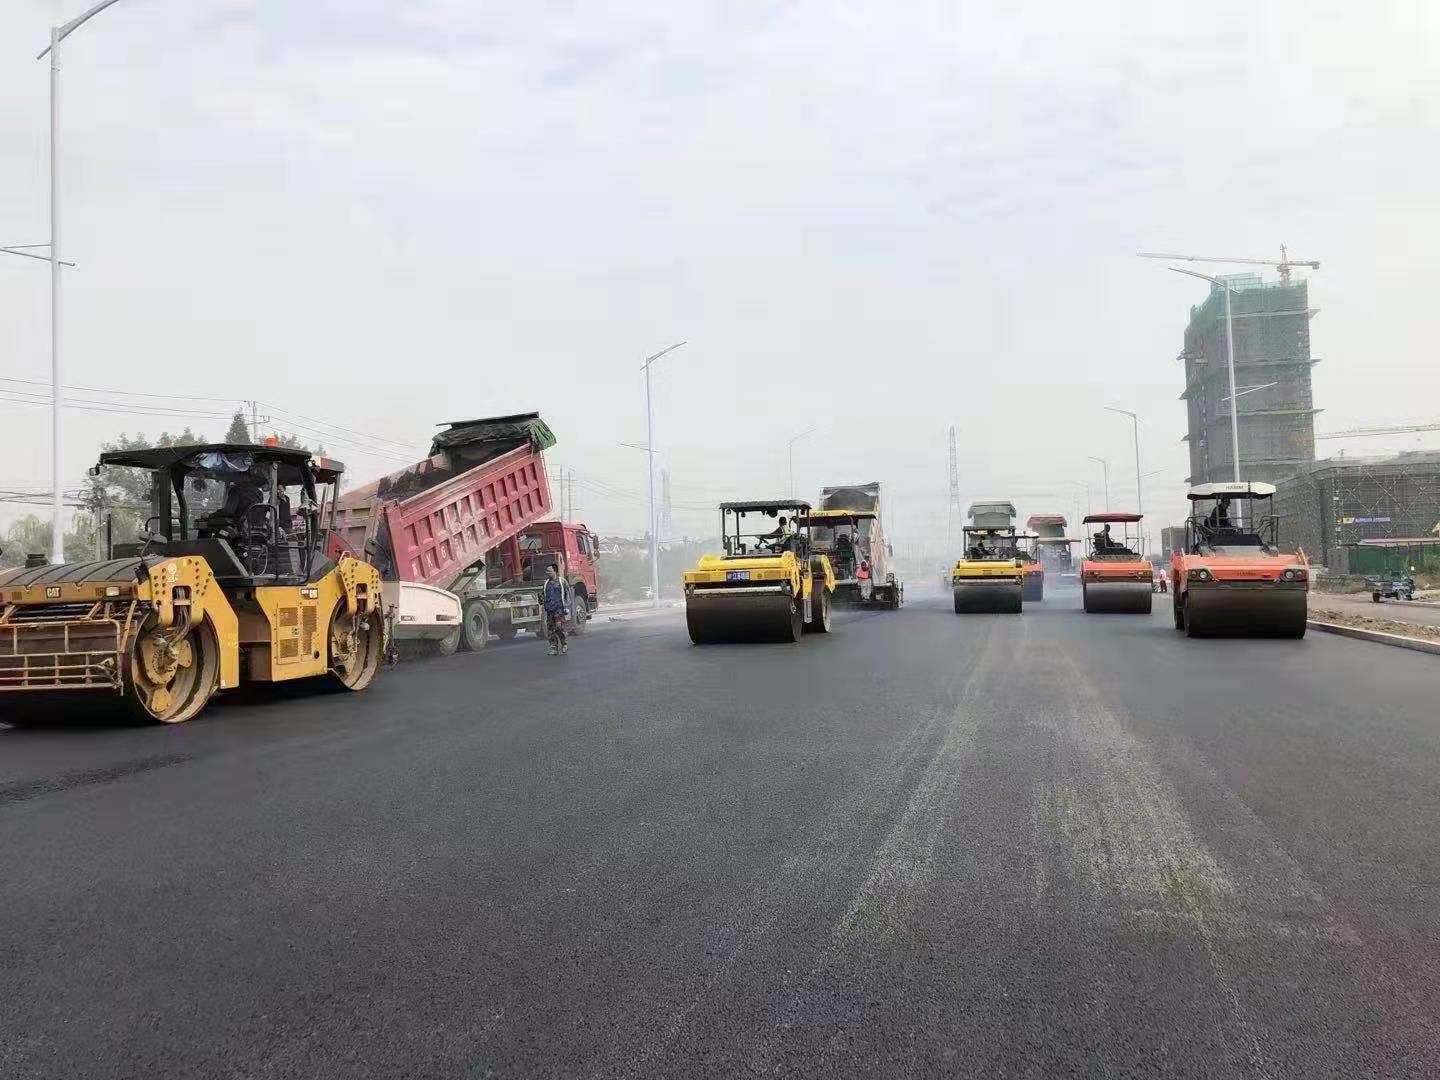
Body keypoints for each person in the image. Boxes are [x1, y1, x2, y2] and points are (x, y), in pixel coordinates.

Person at [542, 564, 569, 655]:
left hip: (559, 610)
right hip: (550, 610)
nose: (547, 573)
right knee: (551, 630)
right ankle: (554, 648)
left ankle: (564, 644)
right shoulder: (546, 583)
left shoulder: (562, 582)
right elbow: (543, 595)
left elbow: (567, 595)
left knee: (559, 627)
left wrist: (567, 607)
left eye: (549, 571)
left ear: (555, 571)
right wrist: (541, 600)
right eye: (547, 571)